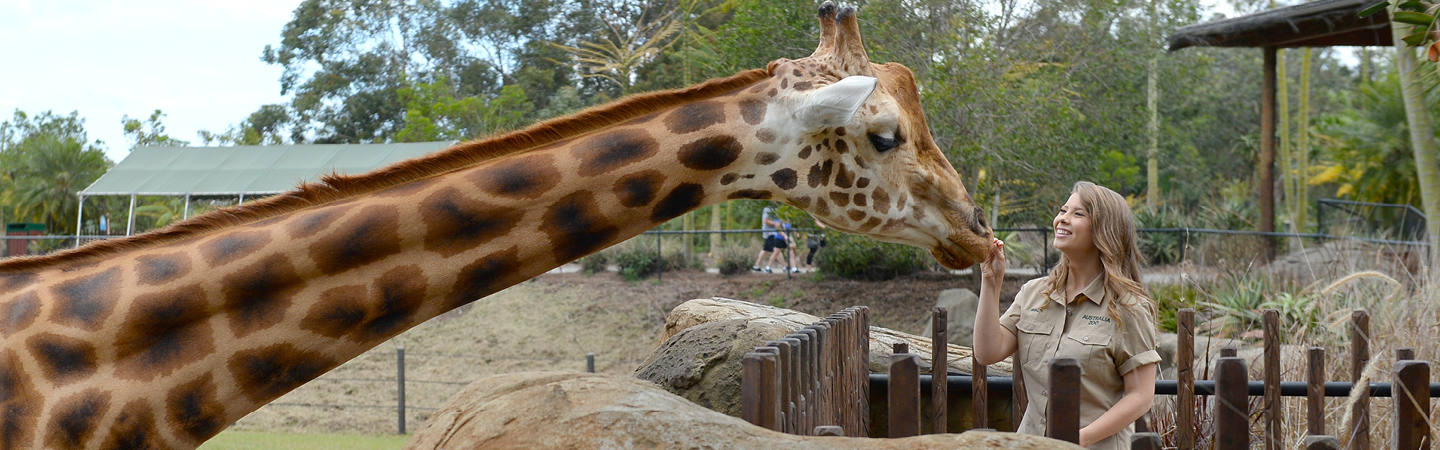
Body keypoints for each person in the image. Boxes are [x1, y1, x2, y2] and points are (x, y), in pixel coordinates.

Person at [972, 181, 1159, 449]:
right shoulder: (1034, 293)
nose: (1062, 219)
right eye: (1063, 210)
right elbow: (987, 352)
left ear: (1105, 230)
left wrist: (1078, 439)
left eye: (1078, 214)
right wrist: (990, 281)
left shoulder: (1128, 307)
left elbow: (1141, 397)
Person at [753, 205, 787, 273]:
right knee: (777, 249)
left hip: (773, 233)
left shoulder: (777, 209)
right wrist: (776, 223)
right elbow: (766, 221)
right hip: (770, 233)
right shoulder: (768, 209)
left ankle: (756, 266)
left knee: (766, 249)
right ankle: (784, 267)